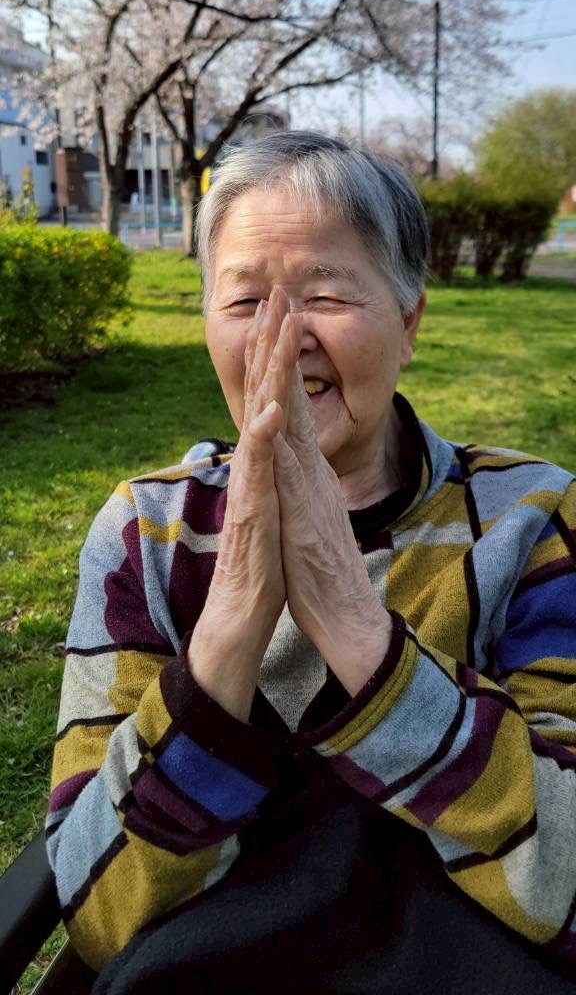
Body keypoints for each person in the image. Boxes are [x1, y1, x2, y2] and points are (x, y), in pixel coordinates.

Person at [46, 133, 576, 992]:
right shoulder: (148, 530)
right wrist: (231, 627)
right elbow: (98, 906)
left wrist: (359, 633)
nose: (284, 340)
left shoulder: (532, 519)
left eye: (326, 294)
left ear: (409, 322)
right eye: (245, 301)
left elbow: (570, 878)